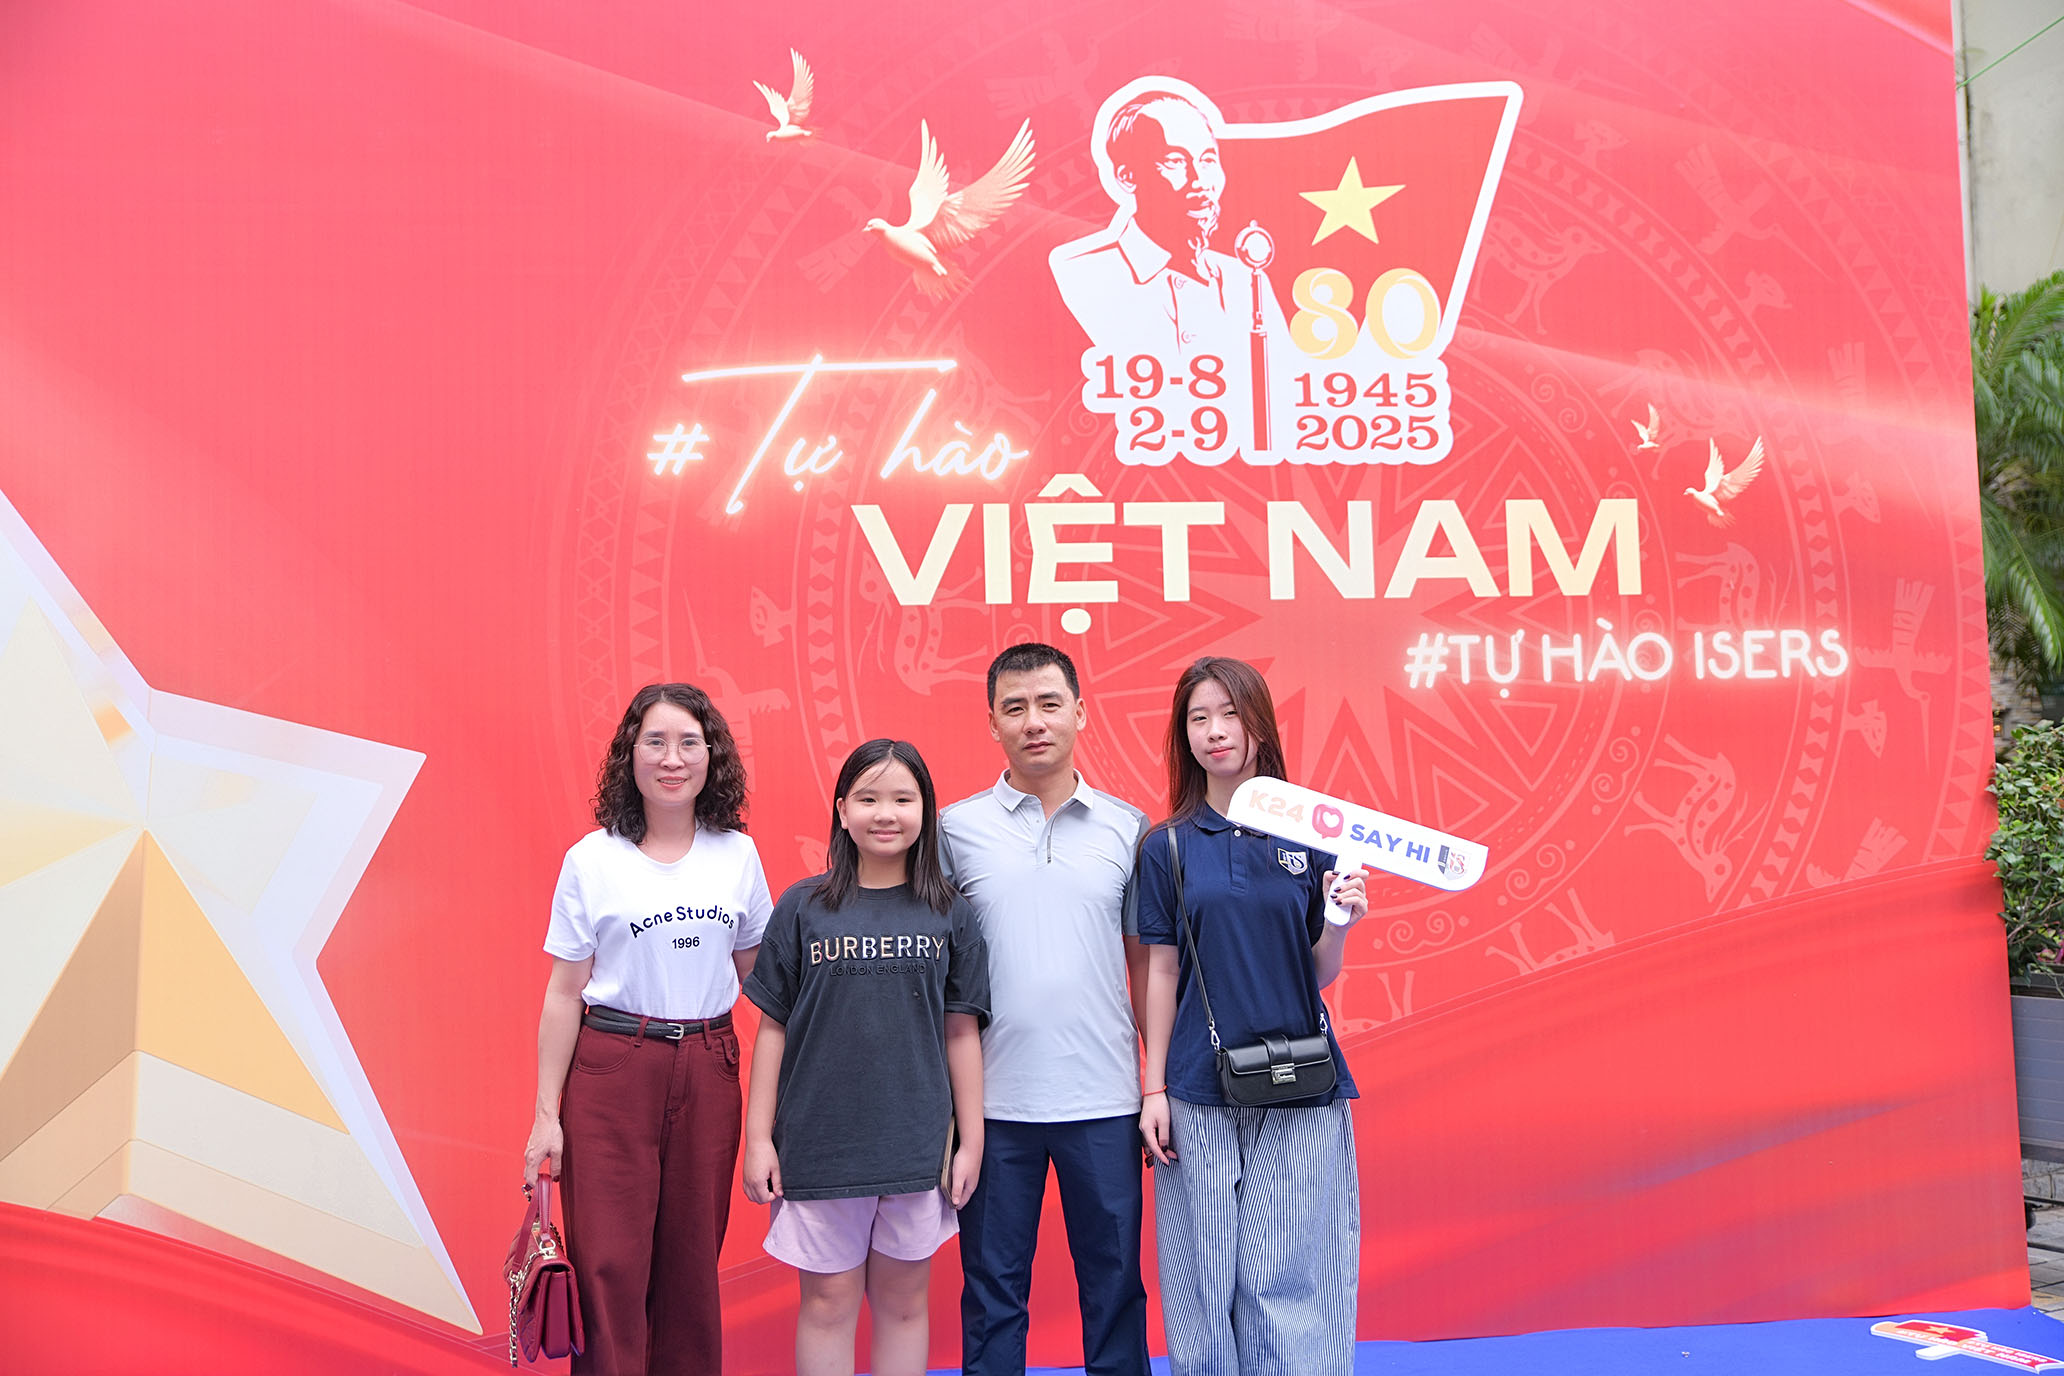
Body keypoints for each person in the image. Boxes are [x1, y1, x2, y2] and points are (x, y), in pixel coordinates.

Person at [523, 682, 774, 1376]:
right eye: (655, 742)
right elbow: (563, 993)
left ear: (711, 755)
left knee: (692, 1263)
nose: (672, 759)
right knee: (607, 1264)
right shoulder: (592, 859)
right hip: (612, 1067)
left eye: (689, 742)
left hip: (709, 1065)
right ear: (629, 756)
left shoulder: (737, 855)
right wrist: (546, 1116)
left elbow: (763, 983)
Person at [1135, 656, 1368, 1376]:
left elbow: (1317, 971)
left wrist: (1339, 923)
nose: (1215, 731)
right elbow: (1161, 971)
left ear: (1260, 724)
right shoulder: (1167, 846)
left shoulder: (1312, 836)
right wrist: (1153, 1087)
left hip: (1303, 1081)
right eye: (1198, 718)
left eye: (1230, 714)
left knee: (1287, 1272)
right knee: (1202, 1276)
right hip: (1198, 1085)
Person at [740, 739, 989, 1376]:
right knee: (827, 1303)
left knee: (904, 1305)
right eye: (869, 798)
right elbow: (772, 1030)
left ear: (925, 811)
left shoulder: (949, 913)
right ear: (842, 810)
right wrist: (759, 1140)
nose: (886, 814)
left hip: (915, 1148)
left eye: (903, 799)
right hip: (820, 1146)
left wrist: (972, 1142)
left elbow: (961, 1033)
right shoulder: (803, 907)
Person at [942, 643, 1153, 1376]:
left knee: (1116, 1286)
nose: (1034, 721)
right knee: (992, 1291)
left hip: (1106, 1100)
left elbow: (1147, 966)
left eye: (1049, 703)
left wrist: (1155, 1083)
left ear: (1080, 713)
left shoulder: (1129, 828)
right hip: (993, 1106)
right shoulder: (954, 830)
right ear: (993, 723)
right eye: (1015, 707)